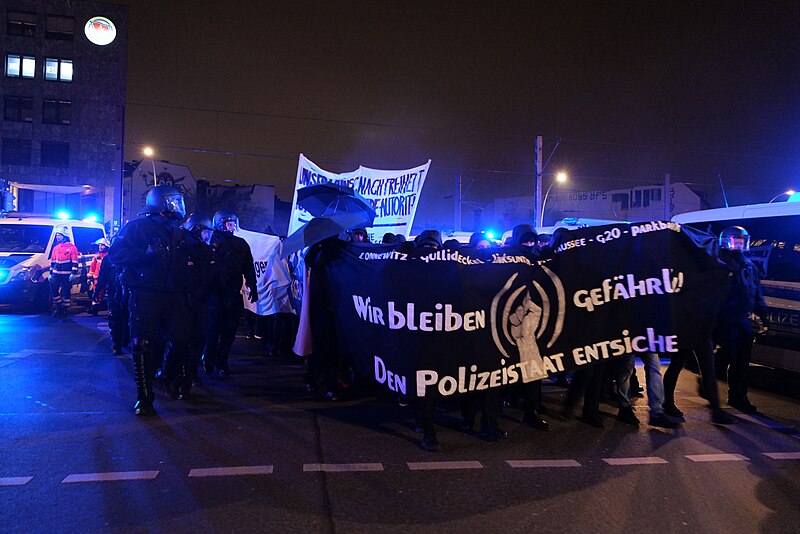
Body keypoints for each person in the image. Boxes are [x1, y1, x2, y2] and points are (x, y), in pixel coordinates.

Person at [107, 185, 191, 416]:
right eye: (174, 200)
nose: (179, 205)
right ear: (161, 203)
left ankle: (168, 374)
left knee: (183, 339)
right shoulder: (137, 227)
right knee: (141, 344)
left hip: (173, 295)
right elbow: (115, 254)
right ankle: (144, 397)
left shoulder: (178, 231)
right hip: (145, 293)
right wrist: (145, 254)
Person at [714, 226, 766, 412]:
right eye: (736, 240)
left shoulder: (749, 266)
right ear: (727, 241)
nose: (739, 244)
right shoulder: (720, 263)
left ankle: (738, 396)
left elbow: (756, 290)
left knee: (742, 360)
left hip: (742, 320)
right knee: (726, 354)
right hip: (725, 319)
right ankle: (707, 379)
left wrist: (762, 312)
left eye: (742, 241)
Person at [204, 210, 258, 377]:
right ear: (220, 224)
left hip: (233, 293)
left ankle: (222, 360)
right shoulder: (211, 241)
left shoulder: (240, 243)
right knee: (212, 330)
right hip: (214, 294)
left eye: (234, 223)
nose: (233, 226)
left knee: (230, 330)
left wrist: (252, 286)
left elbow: (248, 267)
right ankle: (209, 359)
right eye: (229, 223)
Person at [168, 213, 217, 397]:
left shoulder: (207, 251)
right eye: (205, 232)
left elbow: (213, 277)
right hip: (182, 303)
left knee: (196, 342)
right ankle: (175, 375)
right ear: (197, 230)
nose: (208, 236)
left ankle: (188, 377)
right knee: (180, 342)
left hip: (201, 304)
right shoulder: (180, 248)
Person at [49, 225, 79, 318]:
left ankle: (64, 309)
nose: (57, 237)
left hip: (67, 274)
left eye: (59, 235)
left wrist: (73, 273)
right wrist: (50, 273)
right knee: (53, 289)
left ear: (65, 236)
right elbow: (53, 261)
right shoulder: (56, 247)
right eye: (57, 235)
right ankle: (58, 307)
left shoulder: (72, 247)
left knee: (66, 292)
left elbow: (75, 261)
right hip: (56, 273)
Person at [87, 237, 110, 315]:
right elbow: (92, 267)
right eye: (99, 245)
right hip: (97, 278)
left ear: (106, 246)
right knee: (97, 293)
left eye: (102, 245)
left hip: (106, 279)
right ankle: (94, 309)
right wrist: (90, 277)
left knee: (107, 294)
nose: (100, 247)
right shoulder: (96, 256)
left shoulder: (108, 256)